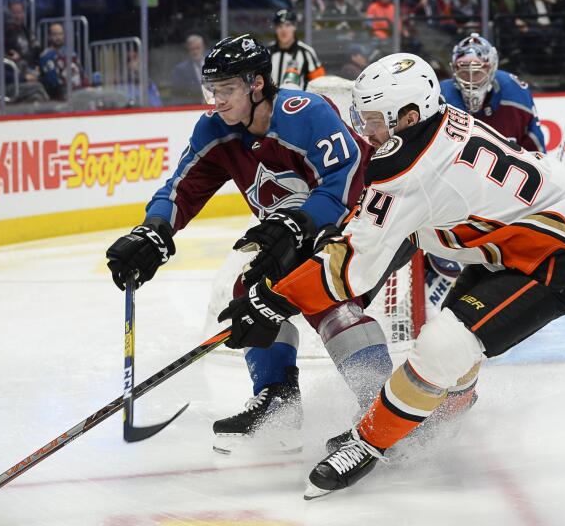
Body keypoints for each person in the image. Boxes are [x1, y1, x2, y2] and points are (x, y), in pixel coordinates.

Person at [217, 52, 565, 498]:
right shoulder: (435, 124)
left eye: (376, 120)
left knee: (445, 344)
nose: (367, 132)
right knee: (455, 344)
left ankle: (369, 442)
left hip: (555, 258)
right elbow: (405, 224)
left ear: (408, 115)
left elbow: (351, 271)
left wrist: (272, 298)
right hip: (509, 239)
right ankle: (433, 427)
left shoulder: (407, 167)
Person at [106, 35, 406, 455]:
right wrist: (155, 230)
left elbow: (349, 177)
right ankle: (278, 405)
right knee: (251, 291)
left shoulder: (306, 113)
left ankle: (387, 411)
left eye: (227, 89)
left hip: (372, 221)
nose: (217, 100)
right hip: (305, 231)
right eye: (213, 90)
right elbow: (183, 187)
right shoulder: (216, 130)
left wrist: (298, 224)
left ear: (257, 84)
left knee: (319, 291)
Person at [441, 33, 545, 153]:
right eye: (464, 70)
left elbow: (538, 156)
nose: (471, 80)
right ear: (454, 69)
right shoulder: (440, 98)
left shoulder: (515, 96)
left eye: (477, 71)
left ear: (491, 68)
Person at [268, 9, 325, 90]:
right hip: (270, 101)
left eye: (287, 25)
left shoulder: (306, 52)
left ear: (294, 27)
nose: (283, 30)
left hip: (297, 101)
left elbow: (319, 84)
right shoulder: (267, 52)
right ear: (275, 29)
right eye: (279, 26)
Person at [39, 22, 86, 100]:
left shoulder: (71, 53)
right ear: (49, 36)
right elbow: (53, 82)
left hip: (77, 90)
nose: (58, 37)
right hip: (58, 94)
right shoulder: (46, 56)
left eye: (60, 34)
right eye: (55, 34)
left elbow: (81, 74)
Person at [170, 34, 206, 105]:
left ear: (203, 48)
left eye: (198, 48)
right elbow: (178, 91)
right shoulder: (180, 70)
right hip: (191, 107)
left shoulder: (213, 65)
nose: (195, 52)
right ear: (188, 50)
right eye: (192, 49)